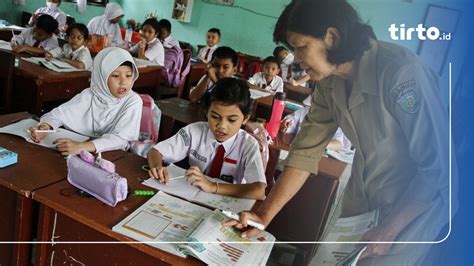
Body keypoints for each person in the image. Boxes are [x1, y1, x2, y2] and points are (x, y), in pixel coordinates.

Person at [225, 0, 449, 265]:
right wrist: (264, 215)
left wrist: (389, 229)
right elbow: (305, 151)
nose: (296, 59)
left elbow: (438, 168)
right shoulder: (329, 82)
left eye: (301, 47)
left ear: (332, 37)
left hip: (411, 209)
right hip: (364, 193)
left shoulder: (401, 74)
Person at [147, 78, 266, 200]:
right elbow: (155, 151)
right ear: (206, 111)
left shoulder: (248, 145)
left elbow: (259, 190)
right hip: (191, 196)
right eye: (215, 116)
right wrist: (157, 167)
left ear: (245, 119)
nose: (222, 126)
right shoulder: (194, 131)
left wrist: (212, 186)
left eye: (231, 120)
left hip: (227, 200)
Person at [30, 47, 142, 156]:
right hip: (81, 152)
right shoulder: (90, 94)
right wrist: (45, 128)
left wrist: (81, 146)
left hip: (113, 156)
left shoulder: (133, 101)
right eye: (116, 75)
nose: (123, 82)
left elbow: (121, 139)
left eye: (128, 75)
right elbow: (56, 115)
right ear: (101, 76)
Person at [280, 106, 351, 151]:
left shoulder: (336, 120)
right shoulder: (305, 111)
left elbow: (339, 144)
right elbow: (289, 121)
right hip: (297, 149)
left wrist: (318, 143)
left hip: (317, 154)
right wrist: (286, 123)